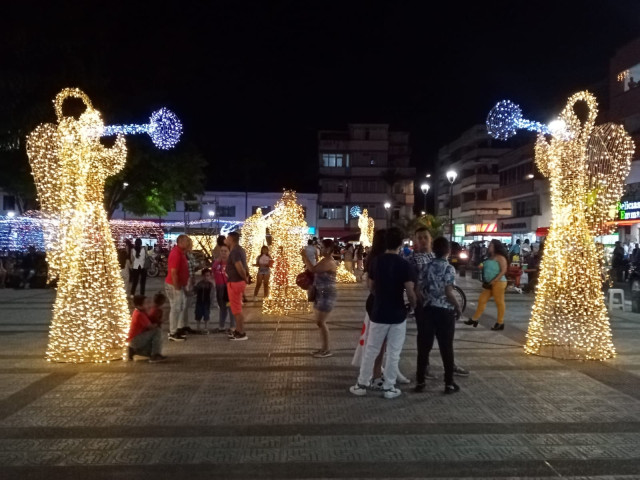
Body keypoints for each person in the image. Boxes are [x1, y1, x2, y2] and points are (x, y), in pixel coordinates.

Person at [350, 228, 417, 399]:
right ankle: (389, 387)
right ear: (400, 244)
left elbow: (371, 287)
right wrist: (412, 306)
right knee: (394, 352)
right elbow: (410, 291)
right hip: (398, 313)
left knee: (371, 349)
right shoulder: (404, 264)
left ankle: (361, 384)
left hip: (378, 311)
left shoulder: (376, 262)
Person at [417, 236, 463, 394]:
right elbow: (449, 292)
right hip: (445, 312)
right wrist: (457, 307)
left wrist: (425, 301)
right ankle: (449, 383)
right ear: (448, 251)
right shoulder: (449, 268)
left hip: (428, 310)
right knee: (446, 347)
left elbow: (418, 288)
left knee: (424, 347)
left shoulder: (426, 266)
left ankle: (420, 381)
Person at [301, 238, 338, 358]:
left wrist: (304, 256)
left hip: (327, 294)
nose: (320, 249)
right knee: (319, 322)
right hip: (320, 293)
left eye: (322, 247)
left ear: (328, 249)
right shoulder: (324, 260)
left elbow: (313, 269)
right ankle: (323, 348)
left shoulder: (329, 262)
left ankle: (326, 349)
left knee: (321, 322)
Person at [465, 239, 509, 330]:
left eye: (491, 245)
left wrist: (495, 280)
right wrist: (481, 266)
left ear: (496, 246)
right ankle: (475, 319)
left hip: (499, 282)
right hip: (489, 283)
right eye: (489, 245)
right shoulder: (489, 257)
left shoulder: (500, 257)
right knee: (482, 299)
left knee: (499, 302)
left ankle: (500, 322)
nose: (489, 246)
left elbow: (503, 270)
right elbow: (485, 265)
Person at [164, 234, 191, 342]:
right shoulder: (176, 253)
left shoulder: (180, 252)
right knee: (175, 308)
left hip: (178, 285)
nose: (188, 243)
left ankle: (177, 329)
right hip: (174, 285)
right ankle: (173, 332)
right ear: (180, 242)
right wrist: (177, 287)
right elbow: (173, 272)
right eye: (186, 241)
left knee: (180, 307)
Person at [127, 295, 167, 363]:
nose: (148, 305)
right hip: (136, 339)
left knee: (150, 349)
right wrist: (160, 322)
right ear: (139, 305)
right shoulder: (139, 314)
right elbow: (150, 327)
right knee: (157, 331)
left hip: (135, 340)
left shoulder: (139, 311)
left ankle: (134, 351)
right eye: (146, 303)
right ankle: (155, 355)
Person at [225, 231, 249, 341]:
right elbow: (245, 265)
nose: (225, 239)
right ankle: (238, 330)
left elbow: (239, 267)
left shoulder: (235, 251)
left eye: (227, 238)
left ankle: (240, 332)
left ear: (231, 239)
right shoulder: (240, 250)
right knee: (237, 307)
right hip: (237, 282)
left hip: (235, 282)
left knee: (236, 309)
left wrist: (244, 277)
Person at [212, 244, 236, 333]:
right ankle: (221, 326)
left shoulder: (231, 263)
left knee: (230, 307)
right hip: (219, 287)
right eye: (221, 251)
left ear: (229, 252)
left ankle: (233, 326)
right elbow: (213, 272)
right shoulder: (217, 263)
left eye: (225, 251)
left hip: (229, 287)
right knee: (222, 307)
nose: (223, 253)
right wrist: (217, 262)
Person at [180, 237, 199, 336]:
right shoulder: (182, 255)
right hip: (184, 282)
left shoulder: (190, 255)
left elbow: (193, 266)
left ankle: (185, 325)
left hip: (190, 281)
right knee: (182, 305)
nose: (191, 246)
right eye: (189, 244)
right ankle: (181, 326)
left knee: (187, 305)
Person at [194, 268, 214, 333]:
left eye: (208, 276)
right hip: (199, 302)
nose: (206, 277)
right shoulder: (199, 284)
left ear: (210, 276)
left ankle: (206, 327)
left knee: (206, 315)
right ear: (202, 276)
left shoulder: (210, 285)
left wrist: (212, 302)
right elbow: (195, 292)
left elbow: (212, 294)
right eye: (205, 275)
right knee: (198, 315)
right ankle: (198, 327)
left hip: (207, 302)